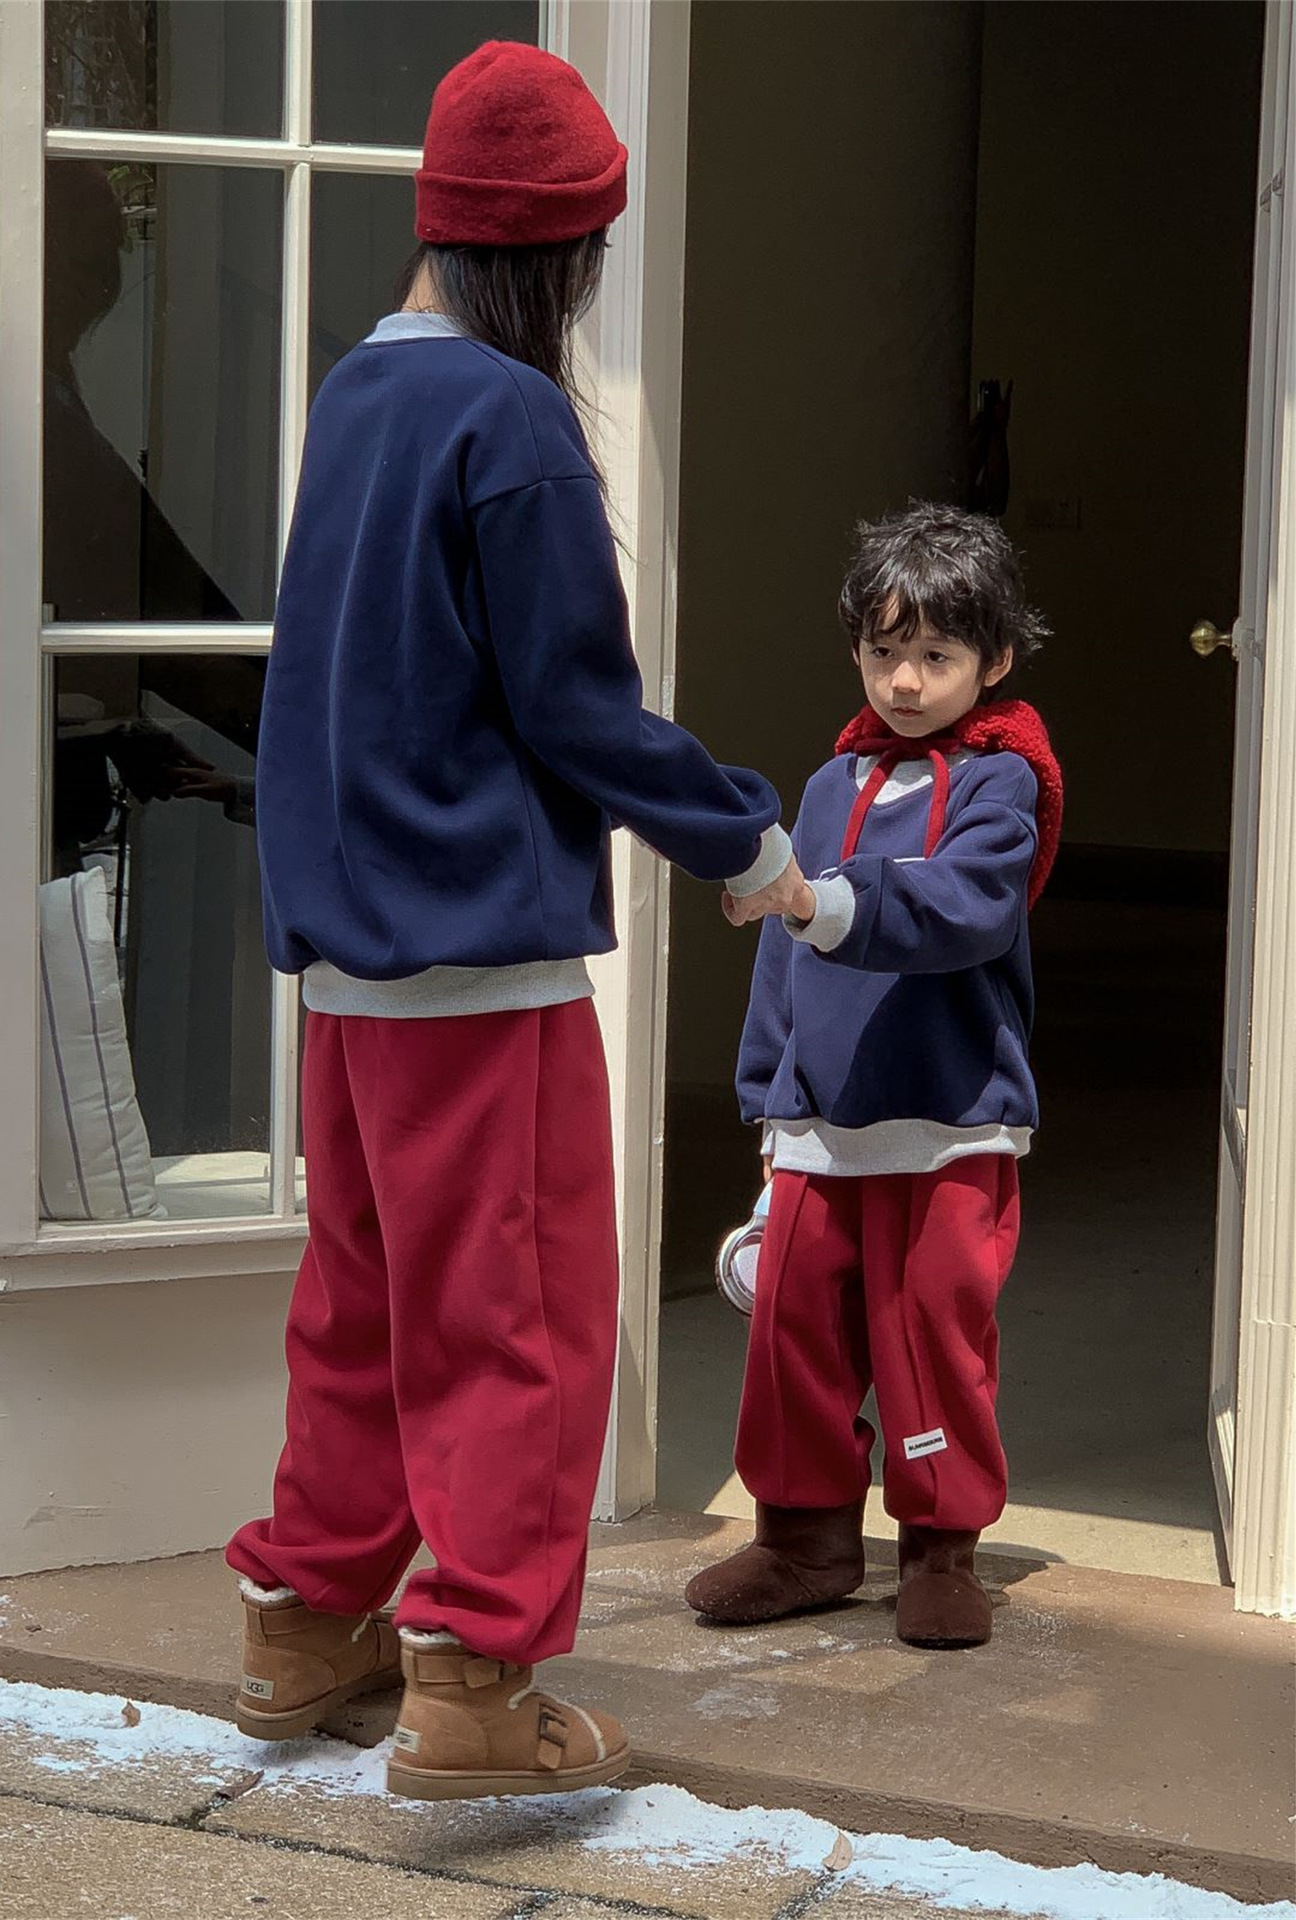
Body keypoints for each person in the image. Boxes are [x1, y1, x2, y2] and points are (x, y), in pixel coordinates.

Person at [226, 41, 808, 1800]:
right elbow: (575, 707)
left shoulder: (356, 395)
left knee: (360, 1311)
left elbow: (322, 680)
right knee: (522, 1330)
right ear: (551, 254)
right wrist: (746, 845)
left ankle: (305, 1622)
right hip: (479, 969)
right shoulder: (511, 420)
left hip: (348, 967)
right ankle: (478, 1688)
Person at [688, 503, 1062, 1650]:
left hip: (948, 1118)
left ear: (995, 661)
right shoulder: (826, 787)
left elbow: (968, 908)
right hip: (821, 1123)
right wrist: (770, 1095)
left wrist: (818, 900)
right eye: (884, 650)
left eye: (937, 655)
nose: (905, 680)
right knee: (792, 1333)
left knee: (930, 1333)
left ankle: (942, 1548)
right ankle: (803, 1539)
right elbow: (780, 954)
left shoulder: (1002, 785)